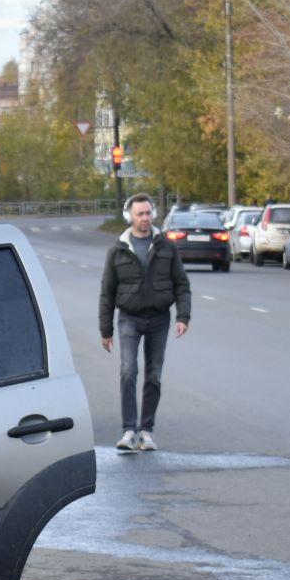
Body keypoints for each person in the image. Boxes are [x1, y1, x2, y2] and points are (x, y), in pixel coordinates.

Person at [98, 193, 191, 452]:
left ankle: (146, 431)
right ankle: (129, 430)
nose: (144, 218)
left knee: (154, 375)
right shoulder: (118, 249)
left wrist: (183, 317)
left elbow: (181, 284)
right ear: (130, 216)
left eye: (148, 213)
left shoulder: (165, 246)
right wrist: (105, 331)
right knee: (128, 371)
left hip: (159, 318)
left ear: (153, 215)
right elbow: (107, 291)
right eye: (140, 214)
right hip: (129, 318)